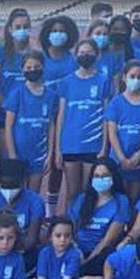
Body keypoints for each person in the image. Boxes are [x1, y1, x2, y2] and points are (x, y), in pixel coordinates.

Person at [53, 37, 109, 212]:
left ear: (96, 54)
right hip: (71, 144)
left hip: (93, 144)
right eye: (81, 53)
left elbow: (107, 117)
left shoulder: (103, 81)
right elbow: (61, 115)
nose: (85, 56)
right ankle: (70, 226)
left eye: (89, 52)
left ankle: (86, 227)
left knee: (88, 192)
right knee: (72, 192)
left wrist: (104, 146)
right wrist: (57, 148)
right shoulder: (67, 82)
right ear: (76, 55)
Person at [4, 51, 56, 194]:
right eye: (28, 68)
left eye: (36, 67)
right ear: (23, 70)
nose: (33, 70)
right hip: (19, 153)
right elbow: (8, 127)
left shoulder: (50, 95)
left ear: (43, 67)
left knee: (34, 193)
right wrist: (12, 155)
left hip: (39, 153)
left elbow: (51, 126)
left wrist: (50, 154)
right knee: (16, 194)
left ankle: (32, 217)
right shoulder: (17, 94)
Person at [0, 160, 44, 257]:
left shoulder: (35, 202)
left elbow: (31, 242)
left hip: (22, 254)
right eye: (6, 184)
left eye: (13, 184)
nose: (9, 189)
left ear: (23, 181)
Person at [73, 159, 132, 276]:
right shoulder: (83, 199)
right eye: (96, 176)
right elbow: (72, 230)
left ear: (113, 177)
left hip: (101, 253)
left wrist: (87, 261)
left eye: (105, 176)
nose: (100, 180)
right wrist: (76, 252)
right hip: (77, 251)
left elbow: (107, 240)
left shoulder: (121, 201)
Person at [103, 58, 140, 196]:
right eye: (132, 76)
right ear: (124, 77)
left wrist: (139, 155)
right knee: (119, 196)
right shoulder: (116, 103)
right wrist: (122, 158)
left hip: (139, 160)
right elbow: (112, 133)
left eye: (139, 77)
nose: (136, 80)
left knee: (134, 198)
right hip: (118, 160)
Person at [0, 8, 37, 108]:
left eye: (25, 27)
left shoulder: (36, 54)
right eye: (18, 27)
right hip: (5, 110)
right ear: (10, 29)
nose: (22, 30)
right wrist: (6, 109)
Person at [41, 15, 79, 85]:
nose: (58, 34)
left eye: (62, 31)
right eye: (54, 31)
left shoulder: (74, 60)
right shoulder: (40, 59)